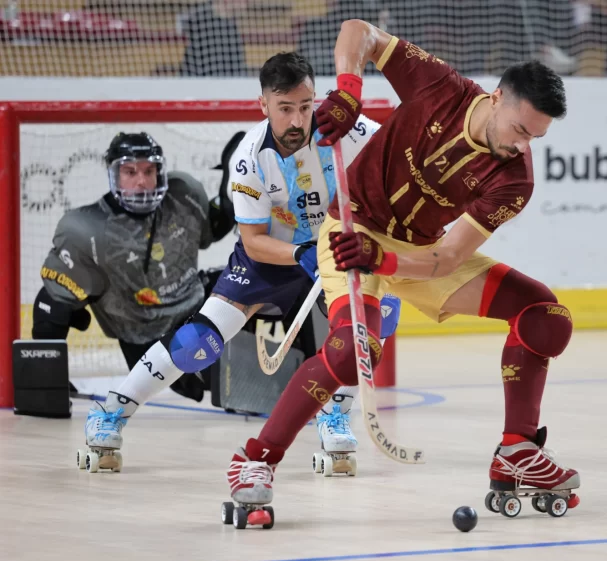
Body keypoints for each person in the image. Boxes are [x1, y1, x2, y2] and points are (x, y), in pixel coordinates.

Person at [227, 20, 581, 521]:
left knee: (546, 315)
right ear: (498, 97)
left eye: (536, 138)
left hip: (419, 256)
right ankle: (255, 461)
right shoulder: (440, 86)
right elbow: (360, 32)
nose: (523, 146)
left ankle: (516, 450)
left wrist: (388, 261)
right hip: (352, 234)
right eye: (520, 130)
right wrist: (349, 90)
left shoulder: (514, 180)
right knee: (352, 352)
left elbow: (450, 258)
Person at [80, 51, 398, 473]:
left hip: (335, 249)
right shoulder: (248, 158)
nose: (298, 121)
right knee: (198, 342)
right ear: (263, 105)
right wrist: (303, 255)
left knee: (374, 323)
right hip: (272, 257)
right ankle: (112, 411)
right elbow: (253, 242)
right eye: (285, 109)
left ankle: (334, 413)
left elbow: (400, 162)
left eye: (306, 107)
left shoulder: (348, 129)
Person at [33, 132, 235, 406]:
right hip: (147, 336)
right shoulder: (86, 229)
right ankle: (45, 387)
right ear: (113, 174)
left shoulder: (184, 194)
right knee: (50, 304)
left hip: (195, 307)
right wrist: (49, 378)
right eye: (130, 172)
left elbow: (210, 230)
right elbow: (51, 304)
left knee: (252, 278)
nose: (141, 181)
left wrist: (230, 196)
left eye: (149, 171)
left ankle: (303, 359)